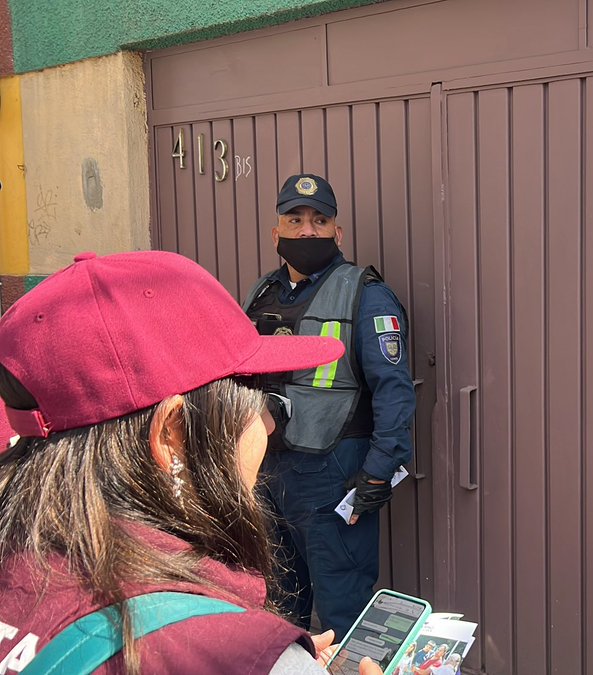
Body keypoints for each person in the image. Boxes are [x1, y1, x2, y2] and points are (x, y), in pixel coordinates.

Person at [0, 250, 383, 674]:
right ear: (173, 433)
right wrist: (269, 657)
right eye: (254, 396)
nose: (269, 426)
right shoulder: (237, 655)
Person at [242, 173, 417, 638]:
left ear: (337, 233)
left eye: (319, 220)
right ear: (275, 232)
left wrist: (379, 472)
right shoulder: (262, 295)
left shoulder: (365, 293)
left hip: (334, 481)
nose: (306, 231)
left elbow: (394, 391)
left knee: (345, 618)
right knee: (278, 617)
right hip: (266, 480)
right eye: (294, 219)